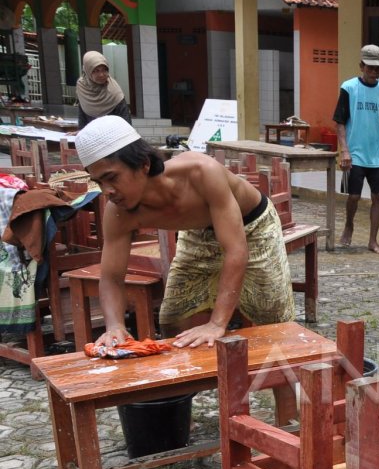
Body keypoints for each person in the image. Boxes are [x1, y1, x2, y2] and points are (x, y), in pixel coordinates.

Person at [75, 115, 295, 349]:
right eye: (98, 182)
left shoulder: (201, 173)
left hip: (253, 226)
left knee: (275, 327)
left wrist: (217, 323)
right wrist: (115, 326)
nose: (107, 191)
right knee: (174, 319)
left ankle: (284, 380)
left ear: (143, 164)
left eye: (112, 178)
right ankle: (193, 381)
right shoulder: (118, 211)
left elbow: (236, 250)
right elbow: (111, 277)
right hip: (198, 232)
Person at [333, 44, 379, 254]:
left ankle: (373, 240)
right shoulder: (349, 88)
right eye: (370, 68)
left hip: (378, 153)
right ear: (361, 66)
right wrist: (344, 150)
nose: (374, 72)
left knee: (377, 196)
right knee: (353, 196)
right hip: (355, 152)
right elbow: (339, 121)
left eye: (378, 68)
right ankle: (349, 225)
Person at [75, 52, 132, 129]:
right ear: (87, 71)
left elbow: (126, 119)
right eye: (96, 70)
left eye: (104, 70)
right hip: (91, 135)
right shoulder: (82, 86)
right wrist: (80, 132)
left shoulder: (114, 89)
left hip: (114, 135)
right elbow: (82, 113)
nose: (101, 75)